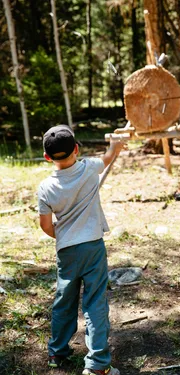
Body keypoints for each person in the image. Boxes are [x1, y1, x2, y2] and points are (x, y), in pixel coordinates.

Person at [37, 124, 124, 375]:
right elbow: (107, 159)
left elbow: (45, 225)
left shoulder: (45, 187)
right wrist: (115, 146)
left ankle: (57, 352)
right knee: (95, 302)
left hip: (66, 251)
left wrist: (64, 234)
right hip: (93, 248)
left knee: (64, 300)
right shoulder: (89, 168)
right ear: (77, 149)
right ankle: (97, 364)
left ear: (47, 157)